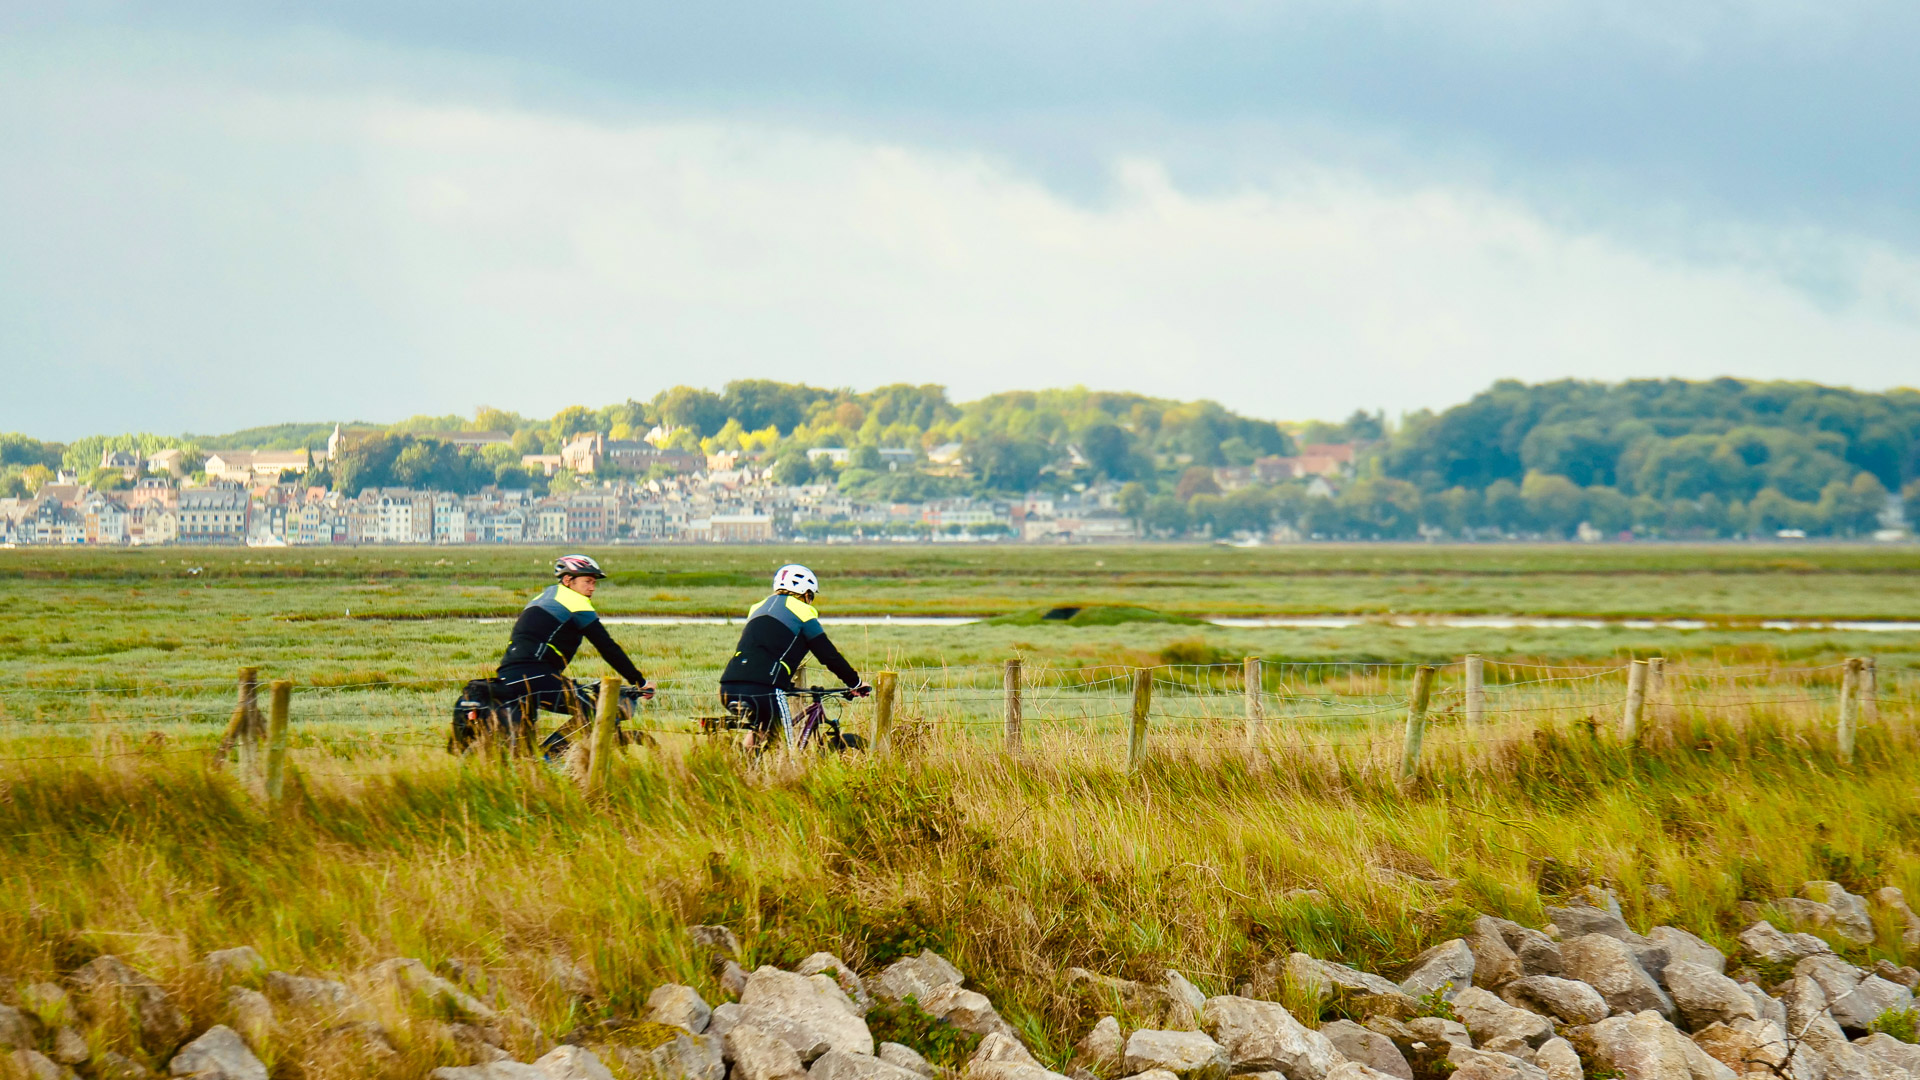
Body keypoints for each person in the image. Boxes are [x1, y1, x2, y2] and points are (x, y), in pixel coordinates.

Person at [496, 554, 655, 760]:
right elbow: (606, 646)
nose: (592, 588)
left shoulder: (544, 597)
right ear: (568, 580)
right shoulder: (575, 602)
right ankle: (547, 760)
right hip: (536, 676)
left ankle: (531, 766)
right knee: (594, 711)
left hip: (508, 675)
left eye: (594, 582)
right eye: (587, 581)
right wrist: (639, 681)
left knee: (523, 746)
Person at [719, 564, 869, 747]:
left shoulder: (757, 607)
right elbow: (829, 655)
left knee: (763, 729)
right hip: (765, 688)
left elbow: (764, 647)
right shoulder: (803, 611)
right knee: (786, 746)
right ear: (805, 593)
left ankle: (744, 768)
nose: (810, 601)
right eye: (811, 596)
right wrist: (856, 683)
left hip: (728, 685)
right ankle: (790, 770)